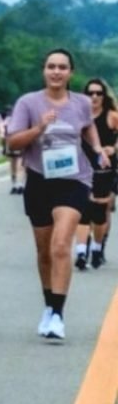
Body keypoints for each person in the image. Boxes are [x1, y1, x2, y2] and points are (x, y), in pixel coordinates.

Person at [7, 49, 110, 342]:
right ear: (44, 70)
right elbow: (13, 142)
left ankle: (58, 314)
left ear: (70, 73)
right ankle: (49, 304)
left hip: (74, 180)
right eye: (51, 66)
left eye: (62, 67)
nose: (56, 72)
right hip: (39, 180)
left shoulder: (80, 102)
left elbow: (88, 127)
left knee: (62, 243)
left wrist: (98, 148)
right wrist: (39, 127)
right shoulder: (28, 103)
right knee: (44, 252)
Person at [74, 78, 118, 270]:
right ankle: (81, 252)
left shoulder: (111, 116)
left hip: (104, 168)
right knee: (83, 209)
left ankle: (98, 248)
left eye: (98, 93)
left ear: (103, 95)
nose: (94, 97)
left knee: (100, 211)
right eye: (90, 93)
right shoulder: (78, 114)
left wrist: (113, 149)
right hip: (81, 167)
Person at [6, 105, 26, 194]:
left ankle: (20, 184)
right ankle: (14, 184)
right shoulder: (8, 120)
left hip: (21, 143)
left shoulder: (24, 119)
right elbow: (4, 130)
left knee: (20, 165)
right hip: (11, 143)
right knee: (12, 165)